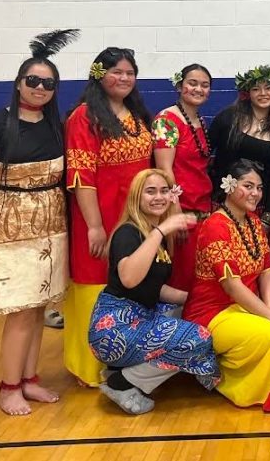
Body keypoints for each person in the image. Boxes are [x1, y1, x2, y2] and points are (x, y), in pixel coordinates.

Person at [0, 29, 77, 415]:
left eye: (48, 83)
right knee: (18, 311)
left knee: (37, 309)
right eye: (33, 81)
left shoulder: (55, 125)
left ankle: (30, 379)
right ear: (18, 84)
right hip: (11, 231)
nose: (40, 88)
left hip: (51, 228)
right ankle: (8, 386)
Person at [184, 160, 270, 411]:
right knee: (269, 334)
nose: (255, 193)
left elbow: (266, 271)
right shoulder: (215, 226)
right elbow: (232, 287)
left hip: (244, 309)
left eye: (259, 188)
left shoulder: (253, 222)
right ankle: (228, 382)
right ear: (229, 186)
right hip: (211, 314)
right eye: (248, 186)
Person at [88, 169, 219, 415]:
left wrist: (196, 299)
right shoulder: (129, 232)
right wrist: (162, 230)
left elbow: (153, 287)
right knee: (198, 337)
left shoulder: (153, 233)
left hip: (141, 316)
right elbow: (129, 279)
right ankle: (123, 382)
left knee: (196, 314)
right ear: (137, 198)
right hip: (115, 329)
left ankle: (120, 370)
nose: (158, 197)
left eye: (164, 191)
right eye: (150, 191)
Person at [64, 46, 154, 386]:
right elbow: (80, 176)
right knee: (95, 285)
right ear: (100, 75)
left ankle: (125, 361)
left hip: (134, 216)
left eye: (130, 73)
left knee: (131, 283)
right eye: (116, 72)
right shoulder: (84, 117)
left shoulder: (135, 114)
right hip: (99, 217)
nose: (124, 78)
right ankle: (89, 369)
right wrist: (95, 226)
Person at [209, 65, 270, 254]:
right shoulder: (229, 118)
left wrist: (268, 216)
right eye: (256, 89)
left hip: (256, 205)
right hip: (224, 201)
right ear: (247, 93)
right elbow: (205, 154)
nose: (263, 93)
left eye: (268, 88)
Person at [152, 63, 214, 292]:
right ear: (180, 86)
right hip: (182, 207)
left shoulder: (199, 120)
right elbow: (165, 170)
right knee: (182, 273)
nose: (198, 89)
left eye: (204, 85)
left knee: (198, 271)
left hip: (202, 206)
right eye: (192, 83)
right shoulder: (166, 121)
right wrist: (174, 209)